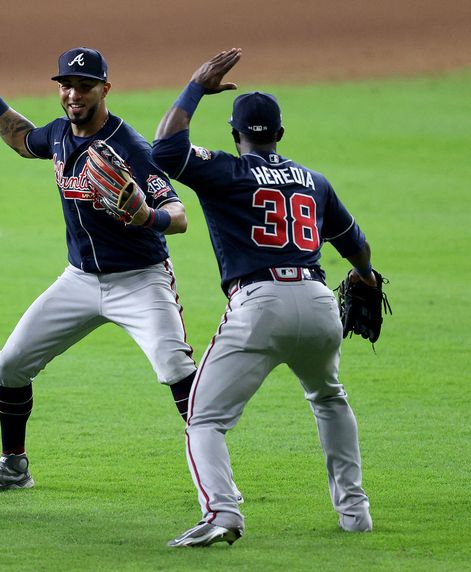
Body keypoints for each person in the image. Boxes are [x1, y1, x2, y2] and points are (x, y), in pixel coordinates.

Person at [151, 48, 375, 547]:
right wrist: (365, 276)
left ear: (236, 135)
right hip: (318, 303)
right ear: (279, 134)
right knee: (329, 399)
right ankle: (356, 515)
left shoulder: (227, 171)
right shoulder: (314, 182)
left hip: (259, 304)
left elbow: (163, 152)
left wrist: (194, 87)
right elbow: (357, 245)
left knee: (204, 419)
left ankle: (223, 513)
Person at [0, 45, 200, 491]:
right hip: (80, 280)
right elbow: (20, 138)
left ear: (105, 89)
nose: (73, 94)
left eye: (85, 86)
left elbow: (179, 215)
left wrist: (150, 216)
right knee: (10, 363)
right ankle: (13, 466)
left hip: (140, 280)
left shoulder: (130, 146)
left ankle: (216, 474)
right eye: (66, 85)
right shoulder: (58, 135)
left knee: (175, 367)